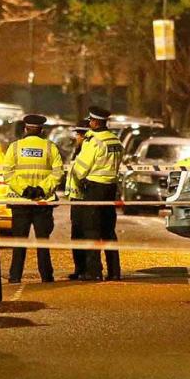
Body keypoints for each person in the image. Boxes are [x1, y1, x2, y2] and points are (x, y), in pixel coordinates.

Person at [1, 114, 63, 283]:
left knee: (19, 242)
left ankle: (15, 276)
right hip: (43, 202)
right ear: (41, 130)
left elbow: (7, 173)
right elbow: (58, 172)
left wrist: (24, 189)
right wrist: (42, 189)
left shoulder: (14, 147)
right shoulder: (50, 147)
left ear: (25, 129)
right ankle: (46, 276)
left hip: (20, 202)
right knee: (43, 241)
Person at [72, 106, 123, 280]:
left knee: (91, 229)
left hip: (94, 188)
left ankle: (94, 272)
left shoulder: (93, 140)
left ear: (94, 122)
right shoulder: (115, 140)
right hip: (111, 189)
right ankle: (114, 272)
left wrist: (76, 177)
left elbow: (81, 167)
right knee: (109, 231)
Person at [66, 120, 90, 281]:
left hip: (85, 198)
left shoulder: (87, 149)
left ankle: (86, 269)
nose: (77, 138)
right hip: (77, 198)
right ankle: (79, 268)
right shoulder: (79, 151)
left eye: (79, 135)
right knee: (77, 236)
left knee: (84, 235)